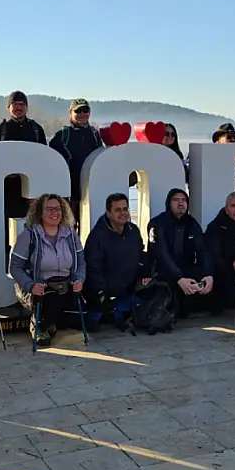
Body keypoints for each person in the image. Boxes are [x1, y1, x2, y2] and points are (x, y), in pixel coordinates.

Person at [9, 194, 86, 347]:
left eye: (58, 209)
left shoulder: (71, 234)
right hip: (38, 286)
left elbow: (81, 263)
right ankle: (39, 325)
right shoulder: (29, 235)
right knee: (49, 300)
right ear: (39, 213)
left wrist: (79, 279)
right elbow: (15, 267)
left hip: (64, 283)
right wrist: (30, 285)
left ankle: (50, 321)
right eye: (49, 209)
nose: (54, 213)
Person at [83, 193, 147, 331]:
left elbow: (141, 253)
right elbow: (93, 269)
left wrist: (145, 271)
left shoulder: (133, 230)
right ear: (108, 212)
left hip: (128, 289)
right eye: (118, 210)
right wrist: (102, 295)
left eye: (125, 209)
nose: (123, 213)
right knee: (94, 325)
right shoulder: (96, 237)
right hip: (104, 294)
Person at [147, 189, 214, 316]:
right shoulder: (157, 224)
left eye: (183, 200)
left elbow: (202, 250)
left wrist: (208, 274)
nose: (180, 203)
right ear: (169, 203)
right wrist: (179, 278)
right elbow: (162, 254)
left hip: (185, 268)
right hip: (163, 271)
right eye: (176, 200)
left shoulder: (192, 223)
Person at [0, 90, 48, 220]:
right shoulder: (0, 131)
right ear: (9, 107)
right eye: (15, 104)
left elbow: (45, 159)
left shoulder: (36, 130)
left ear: (27, 107)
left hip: (32, 190)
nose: (19, 108)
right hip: (7, 190)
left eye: (22, 104)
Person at [49, 98, 104, 221]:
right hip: (69, 192)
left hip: (91, 190)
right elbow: (51, 162)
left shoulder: (94, 134)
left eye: (85, 110)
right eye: (78, 111)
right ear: (70, 113)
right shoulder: (63, 135)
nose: (82, 114)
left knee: (90, 225)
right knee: (68, 227)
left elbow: (101, 159)